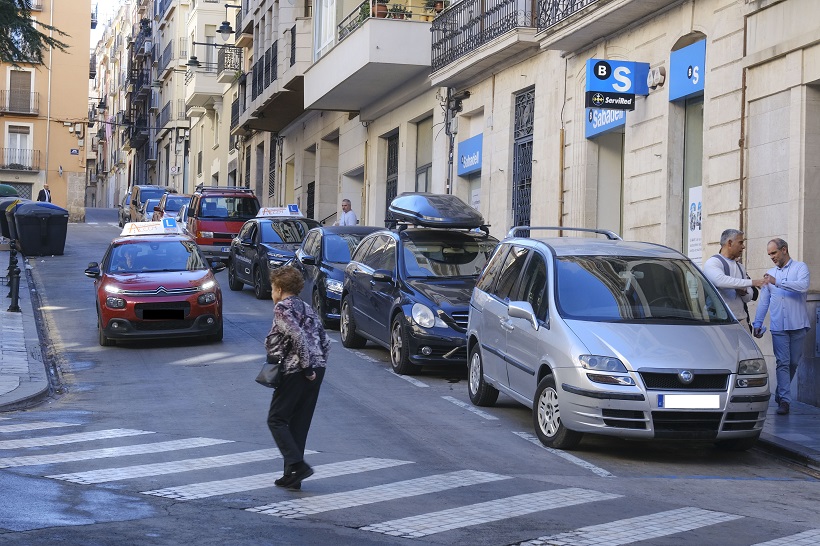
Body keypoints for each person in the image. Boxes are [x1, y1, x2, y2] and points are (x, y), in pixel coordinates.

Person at [265, 265, 330, 489]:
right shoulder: (307, 307)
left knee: (276, 419)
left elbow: (297, 335)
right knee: (299, 424)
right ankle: (292, 476)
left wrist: (305, 367)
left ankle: (298, 466)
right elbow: (325, 341)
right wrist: (317, 366)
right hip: (317, 369)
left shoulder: (283, 307)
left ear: (280, 288)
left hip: (296, 370)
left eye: (273, 288)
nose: (272, 293)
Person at [752, 238, 811, 416]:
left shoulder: (800, 267)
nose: (771, 257)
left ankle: (780, 393)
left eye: (774, 253)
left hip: (798, 324)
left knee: (793, 362)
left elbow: (803, 286)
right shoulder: (769, 274)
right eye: (769, 254)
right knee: (782, 363)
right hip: (779, 326)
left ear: (784, 250)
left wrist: (777, 282)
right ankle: (785, 400)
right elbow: (764, 302)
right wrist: (757, 323)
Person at [703, 229, 764, 330]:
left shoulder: (740, 267)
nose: (743, 247)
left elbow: (748, 297)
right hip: (720, 320)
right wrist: (753, 282)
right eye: (740, 243)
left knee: (747, 346)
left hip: (741, 319)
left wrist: (743, 293)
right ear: (730, 243)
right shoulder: (713, 262)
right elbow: (720, 281)